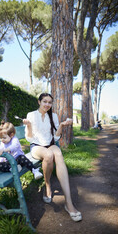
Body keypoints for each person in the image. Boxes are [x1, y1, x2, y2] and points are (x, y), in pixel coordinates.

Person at [23, 93, 82, 222]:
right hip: (37, 147)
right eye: (45, 101)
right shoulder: (31, 115)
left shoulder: (53, 116)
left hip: (50, 145)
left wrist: (61, 126)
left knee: (58, 154)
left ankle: (69, 203)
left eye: (50, 102)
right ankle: (48, 185)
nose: (47, 105)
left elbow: (55, 137)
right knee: (48, 155)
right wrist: (28, 125)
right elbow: (29, 138)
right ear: (39, 102)